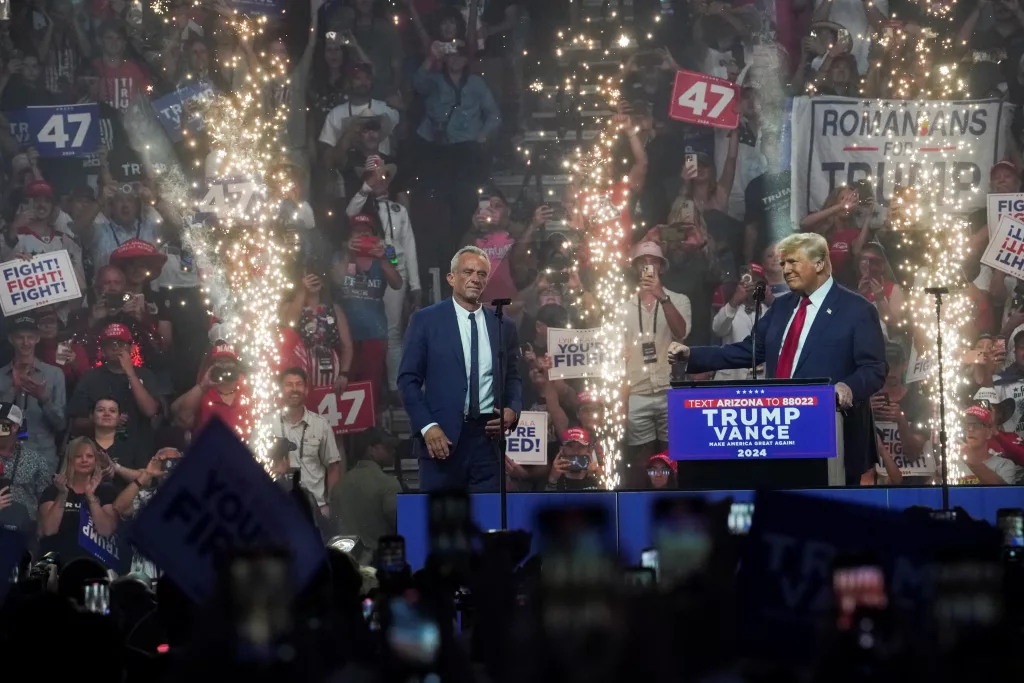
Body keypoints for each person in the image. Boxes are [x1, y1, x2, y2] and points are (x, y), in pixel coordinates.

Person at [670, 232, 887, 484]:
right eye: (783, 264)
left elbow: (874, 368)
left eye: (793, 262)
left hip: (833, 438)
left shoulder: (857, 309)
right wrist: (692, 355)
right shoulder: (783, 307)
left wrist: (848, 387)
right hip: (781, 438)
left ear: (818, 263)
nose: (786, 270)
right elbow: (748, 350)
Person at [398, 246, 523, 492]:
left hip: (487, 444)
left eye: (482, 274)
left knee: (489, 524)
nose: (476, 278)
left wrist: (513, 410)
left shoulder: (503, 325)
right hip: (441, 440)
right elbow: (407, 380)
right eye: (468, 272)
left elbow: (514, 377)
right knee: (444, 525)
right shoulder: (425, 320)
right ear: (451, 277)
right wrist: (427, 426)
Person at [623, 241, 691, 489]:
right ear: (635, 267)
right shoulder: (623, 307)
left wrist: (662, 297)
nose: (647, 265)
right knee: (641, 457)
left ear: (661, 266)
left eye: (653, 261)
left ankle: (674, 500)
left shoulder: (679, 300)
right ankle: (642, 500)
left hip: (668, 388)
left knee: (671, 454)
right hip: (636, 391)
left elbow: (681, 333)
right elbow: (615, 348)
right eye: (642, 261)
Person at [67, 323, 165, 460]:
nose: (115, 347)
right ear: (102, 351)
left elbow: (150, 411)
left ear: (131, 348)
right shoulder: (90, 377)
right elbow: (76, 423)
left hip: (138, 455)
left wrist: (130, 373)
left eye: (121, 343)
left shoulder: (145, 375)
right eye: (109, 344)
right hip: (98, 456)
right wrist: (99, 420)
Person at [268, 367, 344, 519]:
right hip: (277, 506)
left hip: (316, 508)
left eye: (299, 384)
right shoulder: (267, 424)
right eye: (289, 384)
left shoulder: (321, 424)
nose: (294, 389)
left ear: (306, 389)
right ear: (280, 390)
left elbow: (333, 467)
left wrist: (329, 505)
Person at [37, 436, 120, 566]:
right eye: (78, 456)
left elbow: (106, 530)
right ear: (70, 460)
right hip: (56, 565)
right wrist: (63, 495)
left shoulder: (106, 491)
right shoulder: (53, 491)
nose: (84, 460)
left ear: (95, 461)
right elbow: (48, 530)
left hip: (95, 565)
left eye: (89, 456)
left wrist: (90, 495)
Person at [0, 314, 66, 471]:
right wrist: (13, 390)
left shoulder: (54, 374)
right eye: (19, 337)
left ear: (37, 338)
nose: (25, 342)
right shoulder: (1, 376)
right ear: (11, 339)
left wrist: (43, 398)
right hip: (5, 456)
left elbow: (61, 425)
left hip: (42, 457)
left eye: (30, 337)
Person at [330, 426, 402, 552]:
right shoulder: (388, 484)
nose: (393, 451)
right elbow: (401, 525)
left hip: (347, 562)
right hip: (378, 561)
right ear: (371, 450)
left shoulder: (339, 485)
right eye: (387, 447)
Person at [170, 343, 249, 439]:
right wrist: (203, 385)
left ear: (237, 366)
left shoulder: (248, 390)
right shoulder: (203, 393)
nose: (224, 367)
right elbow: (180, 415)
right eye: (219, 362)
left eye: (228, 362)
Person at [710, 262, 773, 381]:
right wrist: (735, 299)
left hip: (761, 379)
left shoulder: (770, 312)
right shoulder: (731, 309)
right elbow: (717, 329)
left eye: (757, 282)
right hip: (732, 379)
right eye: (748, 280)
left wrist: (769, 298)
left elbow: (787, 330)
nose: (752, 286)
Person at [0, 403, 51, 539]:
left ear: (15, 427)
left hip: (24, 530)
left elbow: (44, 500)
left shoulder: (35, 460)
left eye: (2, 424)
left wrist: (39, 535)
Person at [958, 403, 1024, 485]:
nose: (970, 429)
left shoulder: (1004, 465)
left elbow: (1004, 494)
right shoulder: (953, 465)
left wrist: (973, 462)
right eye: (967, 424)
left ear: (989, 433)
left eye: (977, 425)